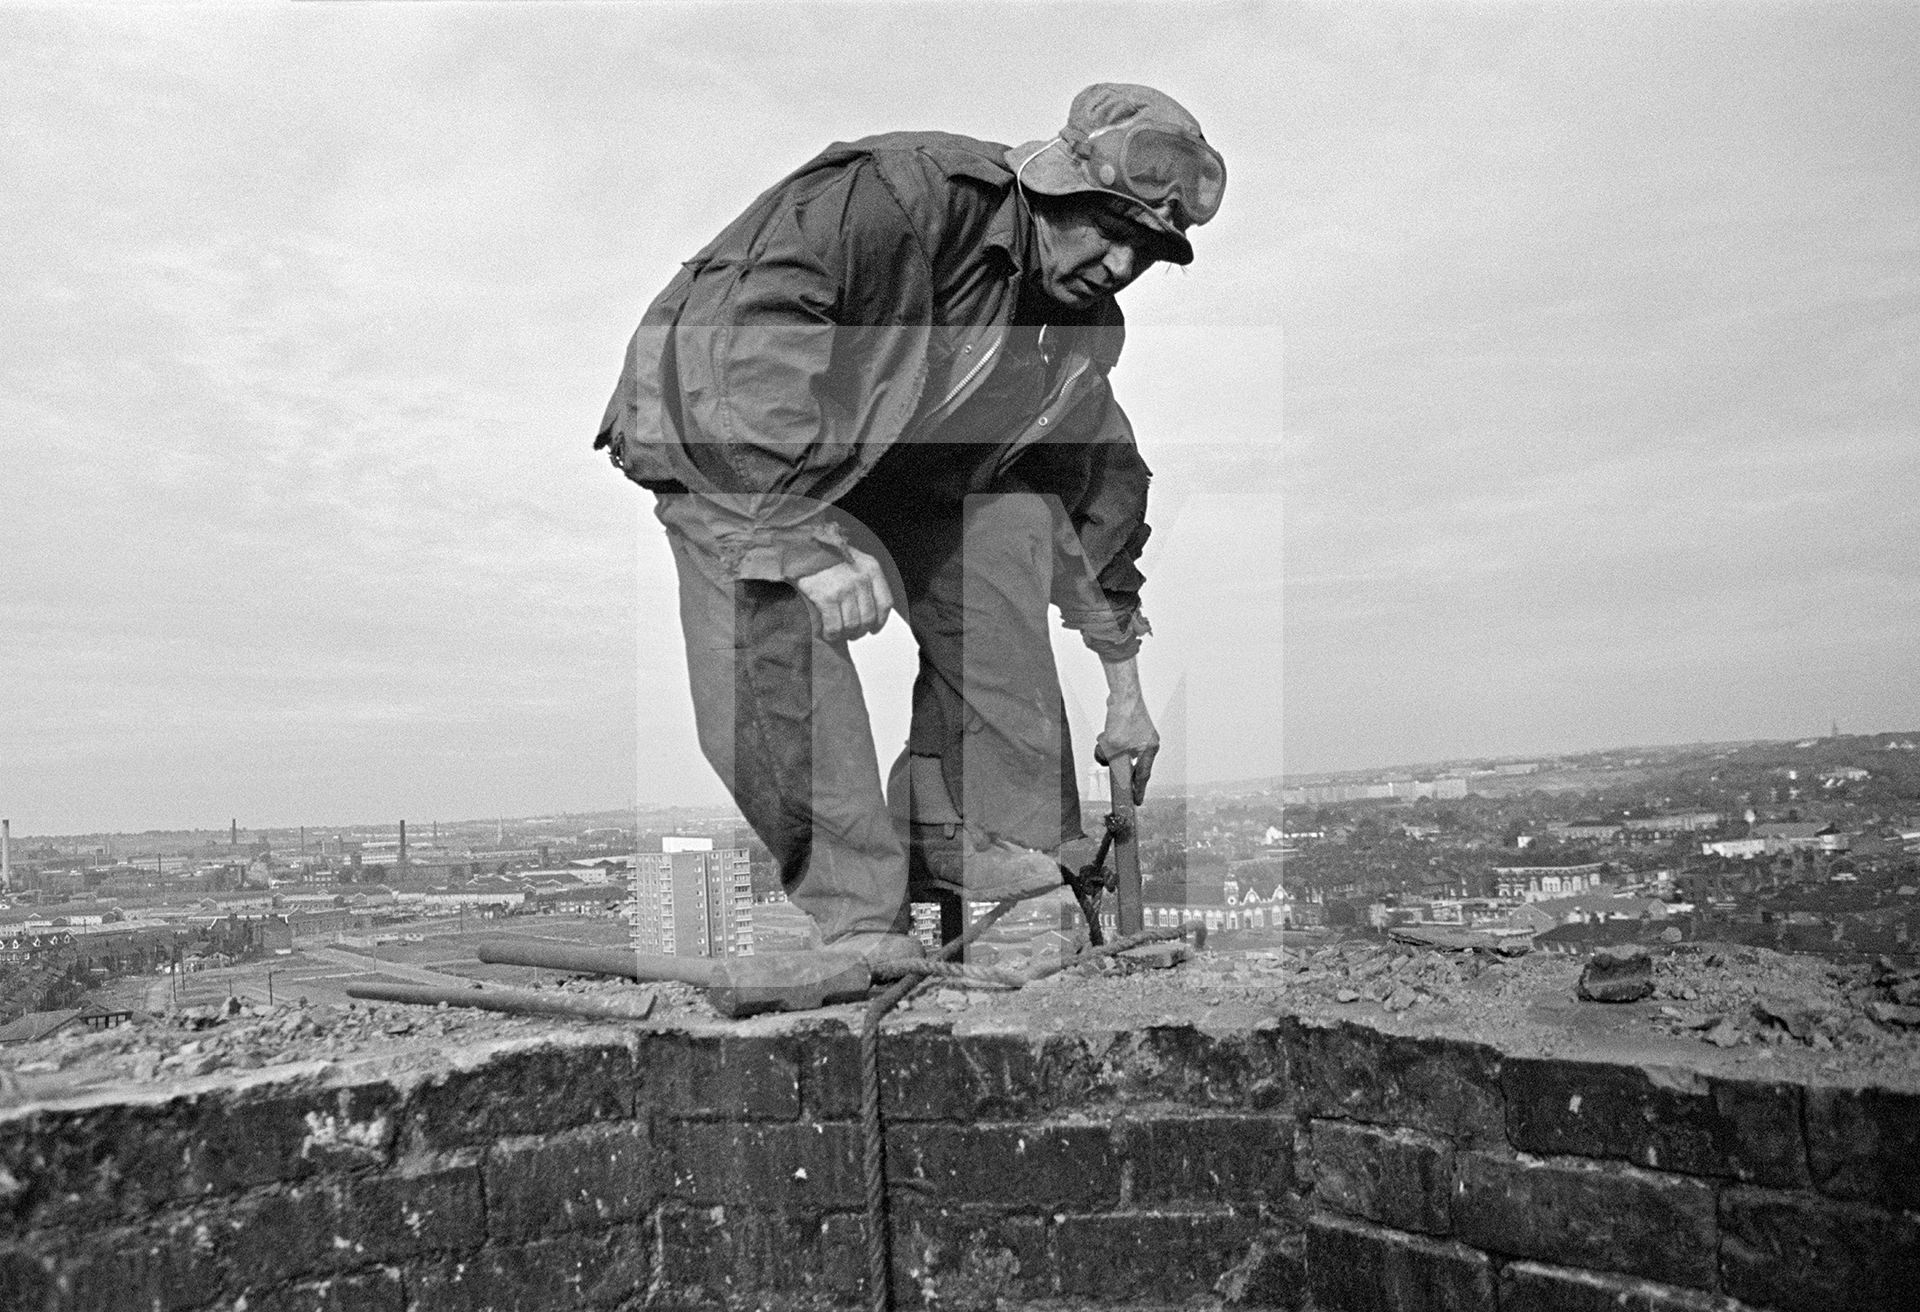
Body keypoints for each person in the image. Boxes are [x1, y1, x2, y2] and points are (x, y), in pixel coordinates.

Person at [595, 83, 1225, 964]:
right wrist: (802, 540)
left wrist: (1125, 687)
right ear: (1054, 189)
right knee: (767, 596)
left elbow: (1098, 486)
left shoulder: (1074, 331)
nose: (1120, 266)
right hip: (733, 445)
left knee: (1008, 521)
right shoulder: (905, 195)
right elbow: (743, 344)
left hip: (886, 475)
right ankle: (861, 919)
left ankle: (960, 830)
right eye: (1110, 230)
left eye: (1146, 251)